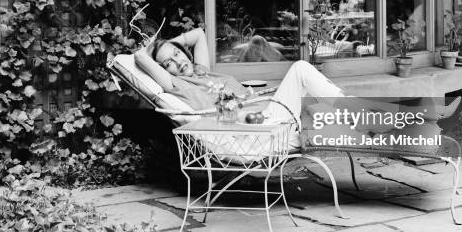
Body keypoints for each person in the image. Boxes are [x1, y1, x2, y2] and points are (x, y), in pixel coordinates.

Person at [134, 27, 345, 148]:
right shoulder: (176, 84)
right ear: (163, 70)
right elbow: (139, 56)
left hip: (269, 115)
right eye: (169, 63)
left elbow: (198, 34)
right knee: (300, 69)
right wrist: (154, 48)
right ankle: (362, 113)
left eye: (178, 53)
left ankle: (365, 119)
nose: (178, 61)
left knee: (326, 108)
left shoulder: (200, 72)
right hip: (258, 127)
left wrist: (168, 45)